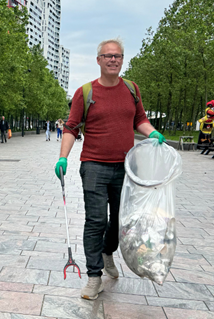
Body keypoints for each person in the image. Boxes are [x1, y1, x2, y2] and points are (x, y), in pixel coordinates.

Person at [54, 38, 165, 300]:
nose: (113, 60)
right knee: (96, 220)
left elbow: (140, 120)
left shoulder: (131, 89)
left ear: (122, 59)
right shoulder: (85, 93)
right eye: (108, 56)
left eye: (118, 56)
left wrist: (153, 133)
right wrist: (63, 157)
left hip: (126, 168)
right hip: (93, 165)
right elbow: (71, 126)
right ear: (99, 60)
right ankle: (94, 277)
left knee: (119, 221)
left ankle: (107, 252)